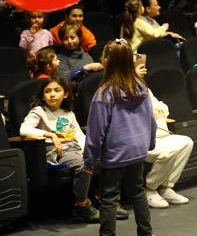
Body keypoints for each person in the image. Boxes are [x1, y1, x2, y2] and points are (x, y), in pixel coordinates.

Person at [83, 40, 157, 236]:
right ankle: (145, 233)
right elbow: (151, 120)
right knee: (138, 192)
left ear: (108, 61)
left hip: (115, 153)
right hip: (138, 150)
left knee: (109, 198)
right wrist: (150, 143)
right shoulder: (141, 87)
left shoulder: (104, 93)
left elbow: (95, 132)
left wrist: (89, 160)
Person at [20, 76, 98, 222]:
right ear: (43, 96)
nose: (52, 94)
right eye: (48, 91)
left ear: (66, 94)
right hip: (56, 152)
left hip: (74, 149)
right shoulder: (39, 111)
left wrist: (86, 149)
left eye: (57, 90)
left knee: (102, 155)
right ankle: (82, 205)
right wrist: (48, 134)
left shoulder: (68, 113)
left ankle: (102, 199)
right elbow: (24, 130)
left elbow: (80, 136)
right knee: (84, 164)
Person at [133, 57, 194, 209]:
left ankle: (166, 186)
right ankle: (150, 188)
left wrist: (157, 110)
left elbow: (162, 107)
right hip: (139, 140)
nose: (143, 69)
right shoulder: (122, 89)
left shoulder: (145, 88)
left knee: (187, 142)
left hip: (160, 134)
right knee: (169, 151)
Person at [121, 0, 185, 51]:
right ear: (139, 9)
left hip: (130, 53)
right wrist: (164, 27)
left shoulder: (127, 21)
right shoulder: (139, 22)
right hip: (138, 54)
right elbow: (154, 34)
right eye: (142, 6)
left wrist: (167, 34)